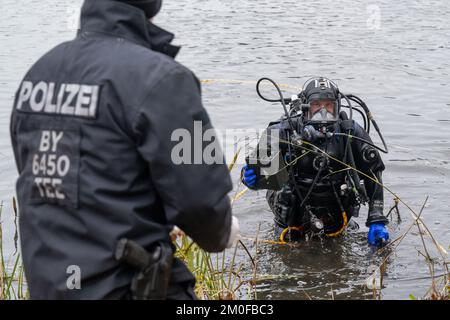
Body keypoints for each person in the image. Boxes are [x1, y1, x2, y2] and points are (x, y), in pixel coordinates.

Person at [10, 0, 239, 299]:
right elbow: (203, 205)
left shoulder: (37, 74)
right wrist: (223, 230)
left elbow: (36, 175)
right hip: (129, 288)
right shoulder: (165, 79)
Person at [242, 77, 389, 246]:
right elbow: (256, 173)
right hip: (291, 219)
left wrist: (376, 218)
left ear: (337, 107)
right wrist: (250, 179)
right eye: (316, 106)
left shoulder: (349, 132)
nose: (323, 112)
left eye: (328, 106)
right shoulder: (283, 132)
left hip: (337, 217)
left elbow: (373, 173)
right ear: (305, 107)